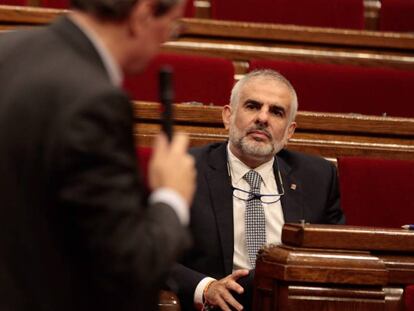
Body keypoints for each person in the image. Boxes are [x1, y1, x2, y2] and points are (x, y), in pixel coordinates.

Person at [0, 0, 196, 310]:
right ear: (143, 14)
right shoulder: (95, 100)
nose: (164, 41)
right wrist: (172, 196)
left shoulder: (7, 47)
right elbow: (130, 271)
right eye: (172, 27)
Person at [169, 69, 345, 311]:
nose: (263, 118)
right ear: (228, 116)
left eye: (276, 112)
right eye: (252, 106)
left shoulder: (318, 177)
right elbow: (148, 253)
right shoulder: (185, 169)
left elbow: (337, 256)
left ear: (290, 131)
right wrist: (205, 287)